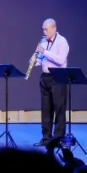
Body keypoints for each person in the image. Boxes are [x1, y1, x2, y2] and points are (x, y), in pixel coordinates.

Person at [35, 18, 70, 146]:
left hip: (58, 77)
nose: (44, 32)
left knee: (59, 109)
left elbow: (60, 60)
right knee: (46, 109)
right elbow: (42, 59)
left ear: (54, 28)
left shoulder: (62, 41)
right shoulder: (44, 41)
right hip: (45, 77)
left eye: (46, 29)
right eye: (43, 29)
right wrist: (36, 61)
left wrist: (45, 52)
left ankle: (58, 139)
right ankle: (46, 138)